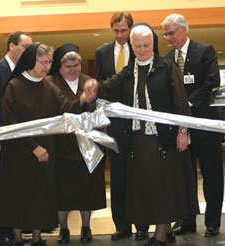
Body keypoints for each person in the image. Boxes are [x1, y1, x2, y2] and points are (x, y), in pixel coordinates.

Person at [84, 24, 199, 246]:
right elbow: (108, 87)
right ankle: (165, 233)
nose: (142, 49)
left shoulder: (167, 67)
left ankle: (161, 236)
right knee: (150, 189)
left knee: (164, 187)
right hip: (138, 140)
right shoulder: (128, 72)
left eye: (146, 45)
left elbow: (181, 102)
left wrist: (183, 132)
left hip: (164, 139)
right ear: (132, 46)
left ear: (153, 44)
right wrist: (94, 86)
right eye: (137, 46)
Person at [0, 43, 90, 246]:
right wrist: (34, 147)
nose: (47, 67)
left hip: (45, 150)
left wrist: (84, 98)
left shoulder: (49, 86)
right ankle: (16, 238)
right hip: (19, 153)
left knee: (40, 196)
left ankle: (38, 237)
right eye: (43, 62)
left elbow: (66, 109)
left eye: (50, 62)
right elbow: (11, 124)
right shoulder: (14, 86)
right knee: (19, 195)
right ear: (32, 61)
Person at [95, 12, 160, 241]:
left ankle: (142, 225)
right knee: (119, 177)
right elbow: (101, 92)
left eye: (124, 30)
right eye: (116, 30)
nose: (120, 35)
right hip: (114, 126)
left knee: (140, 175)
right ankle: (121, 225)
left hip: (139, 125)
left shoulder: (140, 50)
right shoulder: (102, 53)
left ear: (131, 31)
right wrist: (102, 120)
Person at [162, 14, 224, 237]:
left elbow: (212, 82)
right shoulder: (167, 59)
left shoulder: (205, 51)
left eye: (171, 33)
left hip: (205, 127)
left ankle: (213, 222)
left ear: (183, 30)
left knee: (212, 175)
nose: (168, 38)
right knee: (184, 177)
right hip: (180, 131)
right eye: (166, 34)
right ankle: (187, 221)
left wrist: (186, 105)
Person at [46, 43, 106, 245]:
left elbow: (100, 109)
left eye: (76, 65)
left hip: (87, 146)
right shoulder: (50, 83)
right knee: (63, 191)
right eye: (68, 67)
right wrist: (81, 100)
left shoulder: (89, 81)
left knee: (86, 190)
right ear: (60, 68)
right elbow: (60, 111)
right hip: (61, 147)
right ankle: (63, 229)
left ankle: (86, 227)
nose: (73, 70)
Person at [0, 31, 32, 246]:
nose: (29, 50)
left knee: (15, 188)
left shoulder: (23, 73)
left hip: (16, 144)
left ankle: (14, 231)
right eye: (25, 46)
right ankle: (0, 233)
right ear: (11, 45)